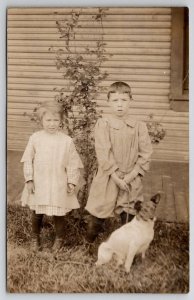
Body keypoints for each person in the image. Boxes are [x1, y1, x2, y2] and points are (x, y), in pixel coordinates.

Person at [85, 81, 153, 242]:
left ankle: (124, 246)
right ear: (108, 102)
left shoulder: (139, 127)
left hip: (131, 176)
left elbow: (146, 153)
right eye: (115, 101)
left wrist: (131, 176)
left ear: (131, 100)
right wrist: (116, 177)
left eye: (124, 100)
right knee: (99, 210)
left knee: (128, 212)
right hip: (109, 177)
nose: (120, 105)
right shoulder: (103, 124)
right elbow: (103, 152)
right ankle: (87, 243)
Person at [20, 101, 83, 252]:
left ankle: (59, 239)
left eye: (56, 120)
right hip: (39, 182)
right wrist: (29, 179)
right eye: (48, 120)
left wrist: (72, 182)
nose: (52, 124)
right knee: (37, 211)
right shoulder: (36, 138)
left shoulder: (66, 141)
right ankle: (35, 238)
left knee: (58, 213)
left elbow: (73, 163)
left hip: (58, 183)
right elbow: (28, 159)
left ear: (61, 121)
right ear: (41, 120)